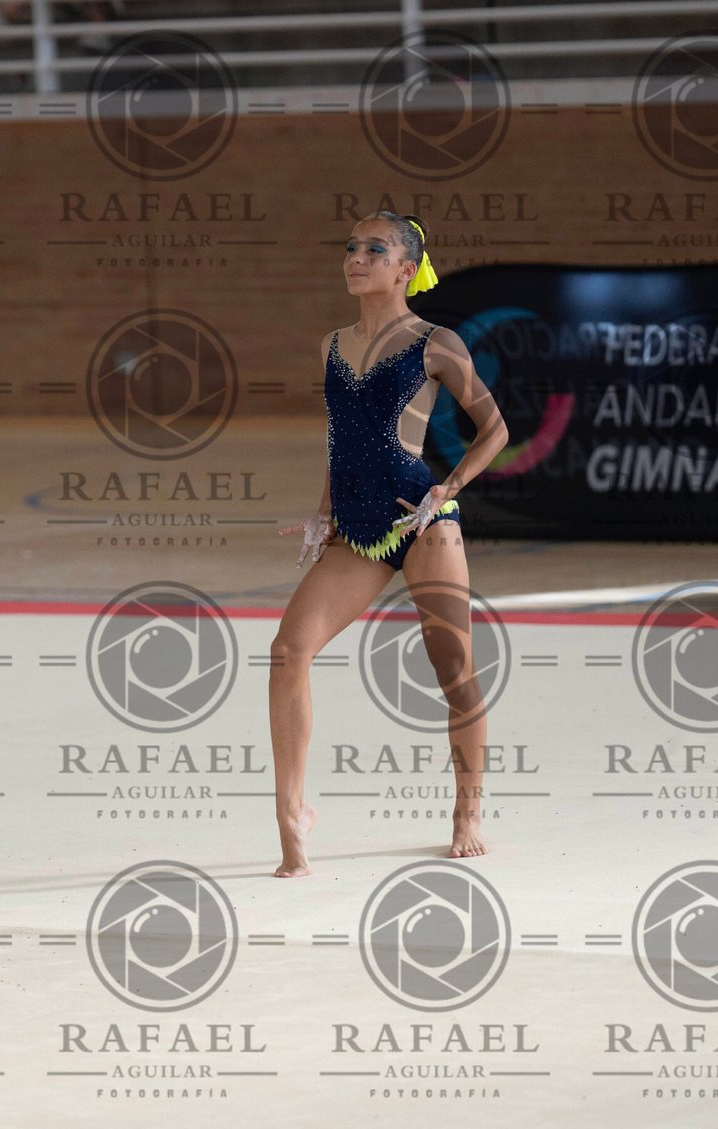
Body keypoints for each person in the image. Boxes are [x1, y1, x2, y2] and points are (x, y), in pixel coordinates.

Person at [268, 211, 509, 877]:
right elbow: (342, 437)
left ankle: (467, 811)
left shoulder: (435, 342)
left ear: (406, 269)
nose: (356, 257)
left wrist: (448, 485)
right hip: (358, 530)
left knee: (453, 670)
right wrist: (324, 512)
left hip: (423, 522)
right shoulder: (331, 345)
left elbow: (494, 428)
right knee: (288, 651)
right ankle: (292, 812)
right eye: (351, 247)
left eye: (375, 249)